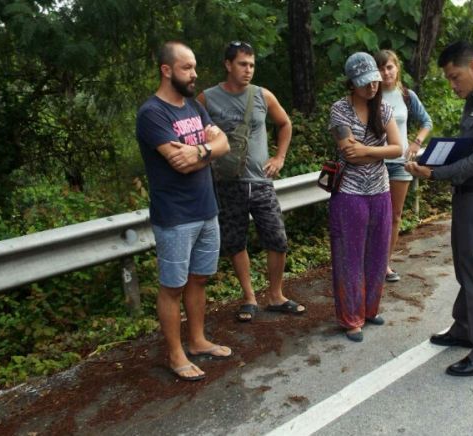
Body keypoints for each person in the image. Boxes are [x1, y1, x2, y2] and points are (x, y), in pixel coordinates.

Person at [406, 41, 473, 376]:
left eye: (455, 77)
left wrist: (435, 173)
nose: (453, 85)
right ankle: (465, 328)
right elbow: (465, 149)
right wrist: (430, 161)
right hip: (466, 197)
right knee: (466, 269)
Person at [135, 41, 232, 382]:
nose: (194, 74)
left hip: (207, 209)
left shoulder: (193, 107)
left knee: (199, 279)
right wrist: (207, 151)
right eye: (186, 68)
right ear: (166, 70)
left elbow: (224, 144)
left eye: (194, 67)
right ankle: (175, 354)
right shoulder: (152, 114)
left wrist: (200, 151)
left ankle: (198, 340)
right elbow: (180, 165)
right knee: (172, 287)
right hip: (175, 216)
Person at [197, 41, 305, 322]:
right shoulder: (206, 99)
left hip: (260, 181)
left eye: (252, 65)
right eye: (243, 64)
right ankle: (249, 297)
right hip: (226, 183)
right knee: (235, 242)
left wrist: (280, 158)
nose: (248, 70)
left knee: (277, 238)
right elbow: (195, 136)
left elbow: (285, 124)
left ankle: (276, 295)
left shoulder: (262, 95)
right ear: (228, 65)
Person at [328, 52, 402, 342]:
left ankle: (370, 309)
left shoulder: (383, 110)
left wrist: (368, 151)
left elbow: (398, 147)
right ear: (351, 84)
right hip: (349, 193)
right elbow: (349, 152)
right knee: (349, 257)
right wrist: (378, 151)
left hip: (380, 191)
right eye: (364, 83)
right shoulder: (339, 110)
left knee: (377, 254)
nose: (371, 87)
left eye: (374, 81)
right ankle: (351, 317)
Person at [374, 49, 433, 283]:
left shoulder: (407, 96)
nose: (386, 72)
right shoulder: (371, 95)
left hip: (400, 164)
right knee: (375, 216)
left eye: (389, 67)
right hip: (376, 163)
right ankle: (370, 260)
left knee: (394, 216)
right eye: (381, 68)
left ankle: (384, 264)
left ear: (396, 68)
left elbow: (426, 121)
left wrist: (416, 143)